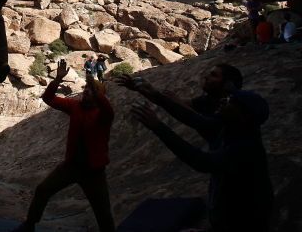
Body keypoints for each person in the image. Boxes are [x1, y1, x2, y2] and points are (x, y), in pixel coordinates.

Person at [131, 90, 274, 232]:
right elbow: (191, 118)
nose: (223, 101)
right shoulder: (229, 126)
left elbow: (201, 161)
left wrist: (158, 126)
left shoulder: (245, 147)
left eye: (231, 101)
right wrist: (155, 95)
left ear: (243, 114)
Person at [15, 59, 115, 232]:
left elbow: (107, 108)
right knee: (43, 190)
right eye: (85, 89)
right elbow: (49, 98)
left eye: (90, 91)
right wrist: (57, 79)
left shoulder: (103, 114)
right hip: (71, 166)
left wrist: (93, 83)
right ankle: (29, 225)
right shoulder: (76, 106)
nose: (85, 92)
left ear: (99, 95)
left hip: (94, 171)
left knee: (102, 212)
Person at [117, 63, 244, 149]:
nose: (206, 77)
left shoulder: (232, 110)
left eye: (214, 75)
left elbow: (200, 122)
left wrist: (157, 126)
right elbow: (172, 103)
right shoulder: (208, 100)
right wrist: (143, 89)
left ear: (228, 85)